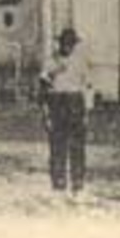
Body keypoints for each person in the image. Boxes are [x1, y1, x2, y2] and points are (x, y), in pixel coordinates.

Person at [39, 28, 93, 199]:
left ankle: (78, 186)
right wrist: (46, 113)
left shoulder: (80, 62)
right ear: (60, 43)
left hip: (75, 102)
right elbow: (43, 86)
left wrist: (87, 111)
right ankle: (58, 186)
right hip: (57, 102)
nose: (67, 47)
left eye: (71, 44)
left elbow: (88, 86)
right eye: (65, 43)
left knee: (77, 146)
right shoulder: (51, 60)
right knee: (57, 146)